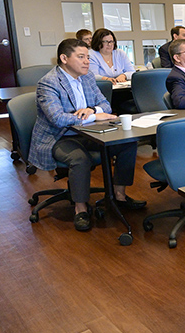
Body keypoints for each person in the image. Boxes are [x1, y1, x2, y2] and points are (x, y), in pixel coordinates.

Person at [28, 39, 145, 232]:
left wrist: (92, 110)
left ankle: (119, 195)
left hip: (89, 133)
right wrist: (93, 117)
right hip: (60, 137)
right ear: (64, 58)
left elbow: (106, 105)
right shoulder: (48, 83)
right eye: (81, 57)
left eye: (88, 57)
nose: (86, 62)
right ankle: (80, 208)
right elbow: (58, 119)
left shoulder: (88, 77)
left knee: (128, 143)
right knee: (80, 159)